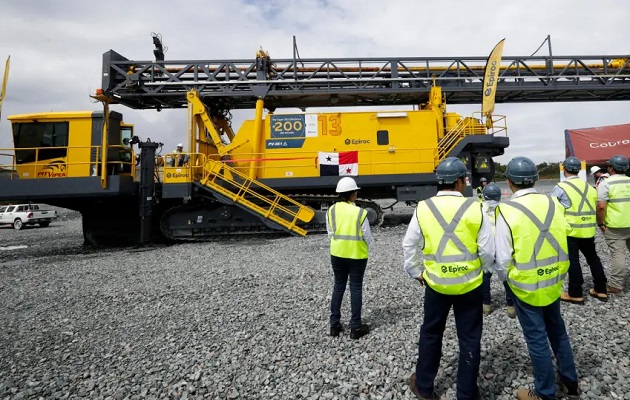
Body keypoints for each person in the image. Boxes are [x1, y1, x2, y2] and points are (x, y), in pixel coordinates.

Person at [403, 157, 494, 400]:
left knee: (431, 333)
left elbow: (409, 244)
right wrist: (484, 270)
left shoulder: (423, 207)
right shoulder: (476, 207)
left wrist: (415, 272)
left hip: (436, 285)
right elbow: (486, 250)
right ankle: (466, 393)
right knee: (470, 339)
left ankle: (424, 386)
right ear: (460, 181)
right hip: (470, 285)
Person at [494, 156, 579, 400]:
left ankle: (545, 392)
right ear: (537, 178)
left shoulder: (506, 210)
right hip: (554, 280)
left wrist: (506, 279)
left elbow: (502, 257)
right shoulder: (554, 203)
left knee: (537, 339)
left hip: (526, 286)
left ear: (509, 182)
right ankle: (570, 382)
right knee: (558, 331)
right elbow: (566, 232)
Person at [550, 157, 608, 304]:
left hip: (570, 231)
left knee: (573, 262)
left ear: (564, 169)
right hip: (588, 230)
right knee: (593, 259)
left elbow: (552, 210)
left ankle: (575, 293)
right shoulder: (590, 187)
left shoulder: (560, 187)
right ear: (579, 169)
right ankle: (601, 290)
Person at [326, 176, 372, 339]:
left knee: (338, 286)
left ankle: (334, 325)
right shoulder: (360, 212)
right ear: (352, 194)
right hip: (357, 255)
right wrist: (369, 249)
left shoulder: (331, 210)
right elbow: (367, 236)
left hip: (337, 254)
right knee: (355, 288)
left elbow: (330, 232)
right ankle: (356, 327)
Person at [480, 183, 516, 318]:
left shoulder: (479, 209)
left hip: (486, 247)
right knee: (506, 276)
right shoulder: (506, 209)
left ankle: (486, 306)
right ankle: (511, 307)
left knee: (485, 276)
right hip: (503, 246)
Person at [596, 155, 630, 294]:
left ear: (611, 168)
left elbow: (601, 207)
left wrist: (600, 223)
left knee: (618, 254)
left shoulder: (606, 183)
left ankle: (615, 285)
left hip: (616, 226)